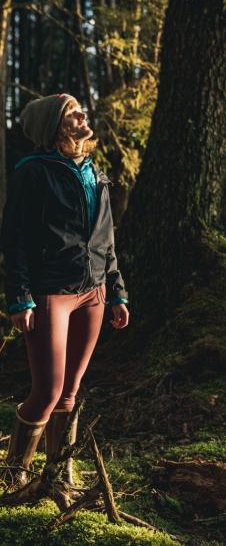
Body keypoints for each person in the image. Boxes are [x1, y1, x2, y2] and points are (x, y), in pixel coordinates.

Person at [0, 93, 129, 488]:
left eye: (80, 111)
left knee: (70, 391)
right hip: (49, 291)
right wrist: (19, 297)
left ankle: (58, 474)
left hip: (94, 292)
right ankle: (13, 474)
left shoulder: (94, 171)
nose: (82, 116)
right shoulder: (33, 173)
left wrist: (117, 291)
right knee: (48, 390)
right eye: (72, 113)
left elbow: (106, 240)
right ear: (54, 127)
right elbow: (14, 239)